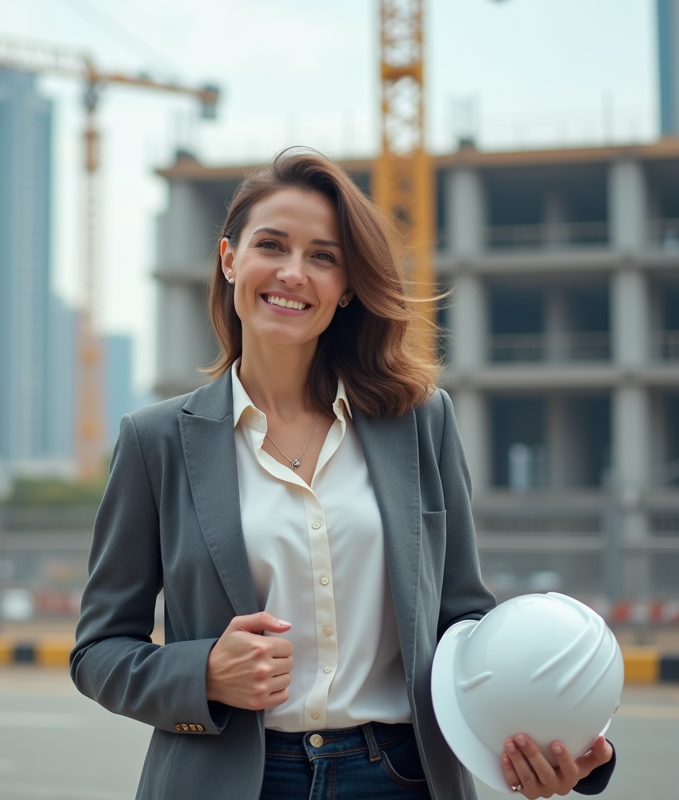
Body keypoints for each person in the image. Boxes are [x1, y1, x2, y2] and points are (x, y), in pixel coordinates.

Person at [70, 149, 615, 800]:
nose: (293, 273)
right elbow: (98, 650)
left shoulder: (420, 422)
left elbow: (463, 622)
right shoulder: (153, 440)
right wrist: (203, 674)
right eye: (272, 245)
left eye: (323, 256)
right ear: (229, 259)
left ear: (348, 285)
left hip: (400, 775)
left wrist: (560, 740)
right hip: (232, 779)